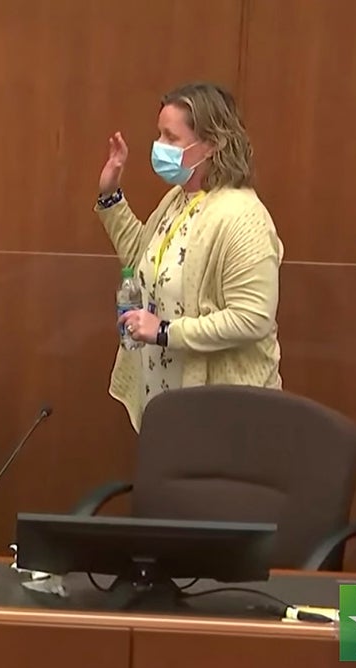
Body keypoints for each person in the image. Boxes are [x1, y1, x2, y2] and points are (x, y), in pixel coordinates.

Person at [95, 81, 283, 431]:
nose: (158, 147)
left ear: (211, 144)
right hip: (166, 400)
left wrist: (166, 331)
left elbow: (252, 318)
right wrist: (110, 194)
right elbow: (141, 257)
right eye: (159, 135)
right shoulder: (179, 198)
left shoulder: (242, 217)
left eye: (171, 137)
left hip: (221, 415)